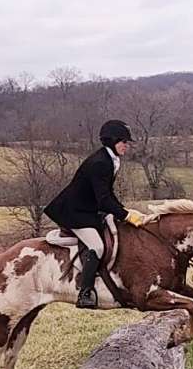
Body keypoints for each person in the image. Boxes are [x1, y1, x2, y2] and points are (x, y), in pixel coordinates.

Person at [44, 120, 145, 309]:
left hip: (89, 209)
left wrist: (124, 210)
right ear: (113, 141)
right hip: (75, 213)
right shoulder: (100, 163)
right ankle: (85, 292)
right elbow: (103, 200)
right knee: (97, 247)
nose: (127, 146)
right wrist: (125, 215)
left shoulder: (111, 160)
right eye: (124, 141)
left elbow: (108, 194)